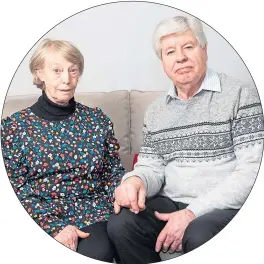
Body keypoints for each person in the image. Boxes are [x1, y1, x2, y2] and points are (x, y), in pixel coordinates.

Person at [107, 15, 264, 264]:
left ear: (204, 50)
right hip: (171, 201)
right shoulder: (157, 111)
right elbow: (151, 166)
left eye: (188, 47)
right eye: (170, 52)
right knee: (121, 224)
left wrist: (192, 212)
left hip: (222, 206)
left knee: (199, 234)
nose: (180, 57)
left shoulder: (241, 95)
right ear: (163, 62)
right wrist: (135, 180)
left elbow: (252, 171)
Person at [1, 39, 125, 262]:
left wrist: (121, 198)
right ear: (40, 73)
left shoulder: (97, 120)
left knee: (99, 252)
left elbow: (112, 174)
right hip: (40, 214)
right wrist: (53, 227)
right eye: (56, 70)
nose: (66, 79)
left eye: (73, 70)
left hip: (93, 212)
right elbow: (14, 189)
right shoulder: (14, 127)